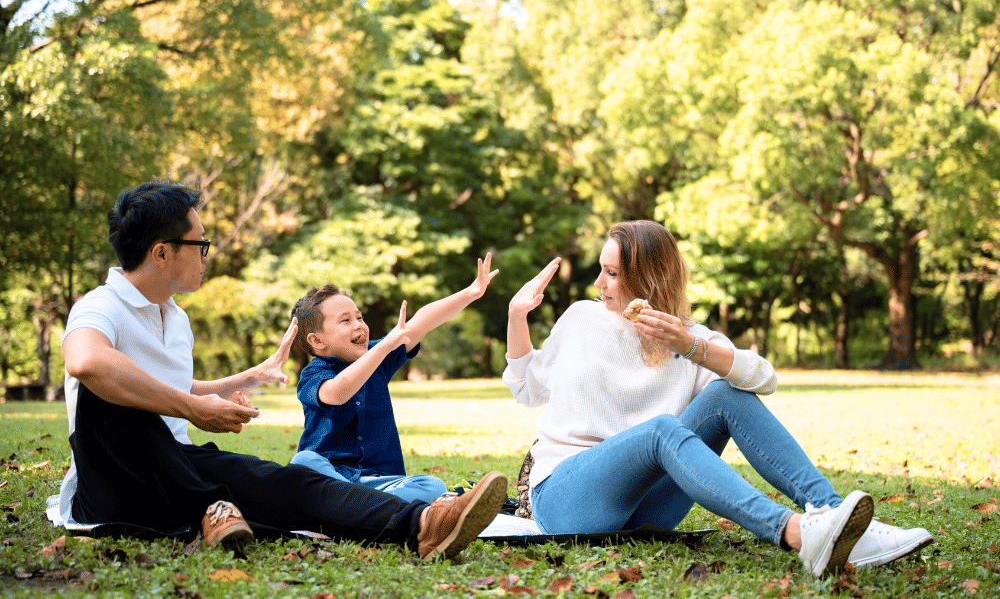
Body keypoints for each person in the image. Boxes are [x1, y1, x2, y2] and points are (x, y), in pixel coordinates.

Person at [48, 180, 507, 560]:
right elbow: (87, 362)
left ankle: (425, 525)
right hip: (115, 485)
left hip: (181, 469)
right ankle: (210, 504)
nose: (208, 254)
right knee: (103, 391)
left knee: (292, 480)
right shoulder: (100, 305)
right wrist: (191, 408)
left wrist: (240, 382)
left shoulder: (176, 317)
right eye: (200, 244)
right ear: (162, 252)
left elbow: (166, 387)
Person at [502, 220, 932, 577]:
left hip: (646, 510)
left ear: (651, 277)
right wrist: (516, 316)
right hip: (566, 497)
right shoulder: (582, 319)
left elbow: (763, 378)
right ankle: (797, 533)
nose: (599, 282)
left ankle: (839, 519)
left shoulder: (690, 337)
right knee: (660, 432)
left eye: (612, 273)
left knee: (727, 392)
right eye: (601, 269)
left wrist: (691, 346)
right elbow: (528, 389)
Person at [287, 254, 498, 503]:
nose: (359, 325)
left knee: (432, 485)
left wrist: (471, 292)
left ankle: (356, 507)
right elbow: (338, 392)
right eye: (345, 320)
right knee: (304, 462)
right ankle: (367, 506)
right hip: (332, 477)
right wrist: (384, 346)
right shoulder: (314, 374)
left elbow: (419, 322)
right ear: (317, 341)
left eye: (359, 317)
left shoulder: (379, 354)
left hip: (381, 481)